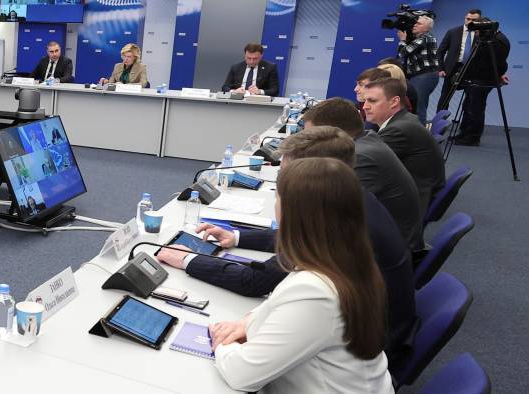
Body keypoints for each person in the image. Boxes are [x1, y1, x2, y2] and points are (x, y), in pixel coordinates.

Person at [158, 126, 416, 362]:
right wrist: (236, 237)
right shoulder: (352, 200)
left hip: (370, 348)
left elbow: (253, 281)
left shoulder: (335, 236)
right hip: (367, 336)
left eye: (285, 176)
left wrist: (187, 259)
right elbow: (290, 236)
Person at [209, 158, 395, 393]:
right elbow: (278, 306)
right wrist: (246, 323)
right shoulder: (346, 259)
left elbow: (240, 374)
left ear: (291, 213)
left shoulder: (315, 291)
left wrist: (223, 341)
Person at [302, 99, 425, 253]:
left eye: (310, 138)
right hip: (384, 243)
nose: (306, 144)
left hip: (384, 254)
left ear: (333, 133)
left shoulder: (361, 158)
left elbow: (333, 217)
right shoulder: (365, 141)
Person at [363, 77, 446, 214]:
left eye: (372, 101)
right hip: (415, 191)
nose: (365, 106)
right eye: (365, 100)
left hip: (410, 205)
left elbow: (365, 160)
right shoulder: (404, 120)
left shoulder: (399, 130)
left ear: (394, 102)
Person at [436, 13, 511, 145]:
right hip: (474, 78)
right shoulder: (488, 38)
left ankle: (473, 137)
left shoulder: (498, 41)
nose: (475, 34)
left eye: (477, 31)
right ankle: (464, 133)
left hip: (483, 80)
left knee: (475, 109)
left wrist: (499, 74)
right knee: (468, 106)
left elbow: (497, 62)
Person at [395, 14, 440, 123]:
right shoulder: (418, 39)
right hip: (419, 76)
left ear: (427, 28)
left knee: (419, 107)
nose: (415, 25)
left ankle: (420, 133)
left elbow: (403, 53)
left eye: (419, 24)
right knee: (415, 106)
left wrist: (402, 40)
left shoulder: (425, 38)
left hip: (424, 76)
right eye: (415, 23)